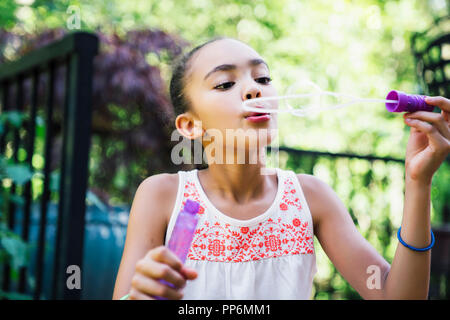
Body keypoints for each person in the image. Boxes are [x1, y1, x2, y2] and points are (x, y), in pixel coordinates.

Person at [112, 37, 450, 300]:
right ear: (189, 126)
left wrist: (418, 183)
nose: (254, 88)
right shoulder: (162, 196)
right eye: (225, 84)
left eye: (263, 77)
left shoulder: (310, 197)